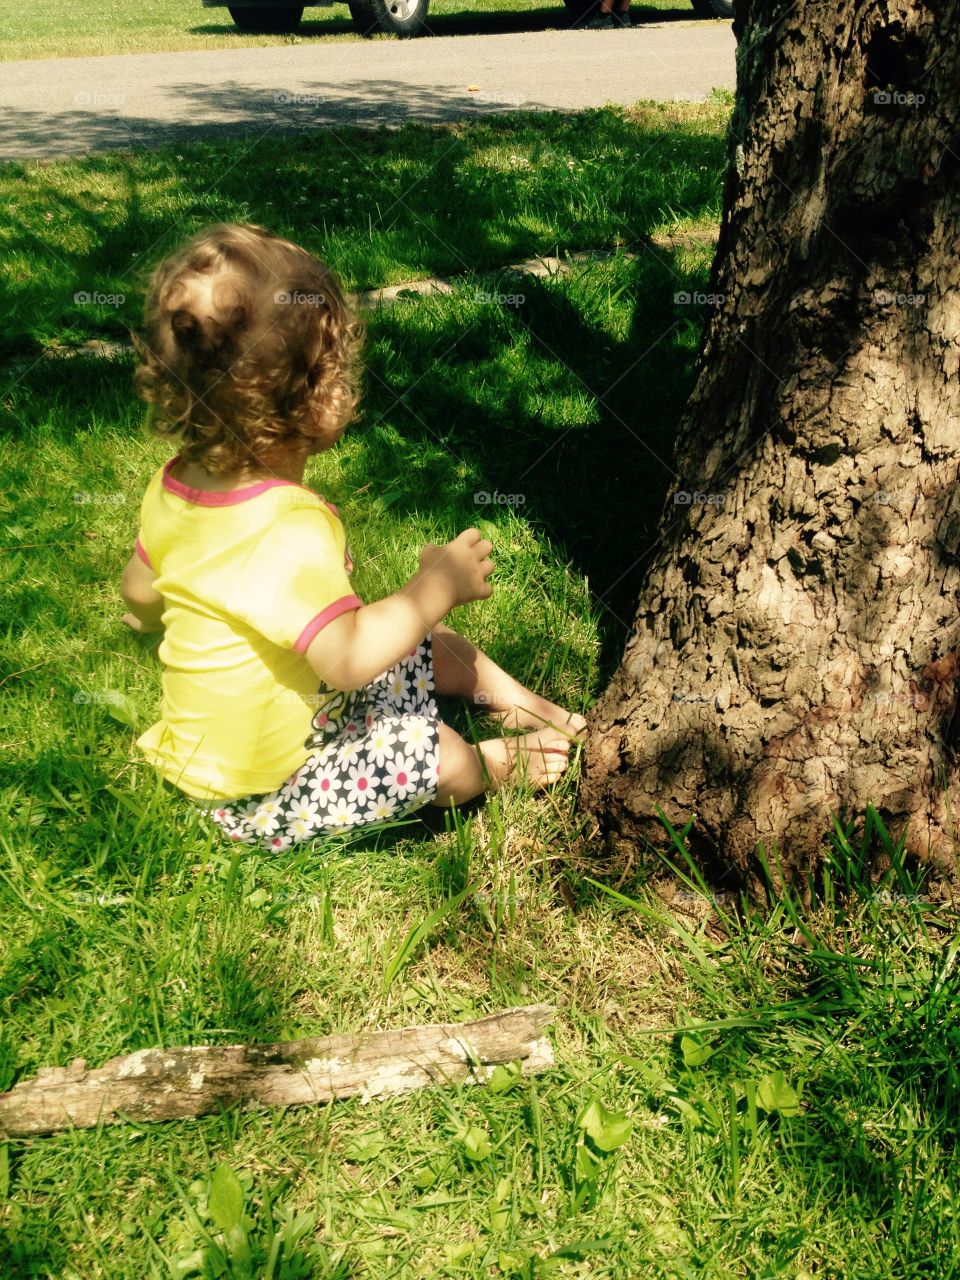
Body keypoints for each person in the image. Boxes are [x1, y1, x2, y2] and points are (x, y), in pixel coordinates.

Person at [120, 223, 586, 850]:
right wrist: (434, 588)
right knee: (438, 752)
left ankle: (531, 707)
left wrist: (153, 619)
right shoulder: (288, 525)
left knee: (423, 644)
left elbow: (139, 592)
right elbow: (346, 662)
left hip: (247, 741)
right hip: (262, 793)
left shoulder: (173, 485)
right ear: (320, 397)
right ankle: (497, 764)